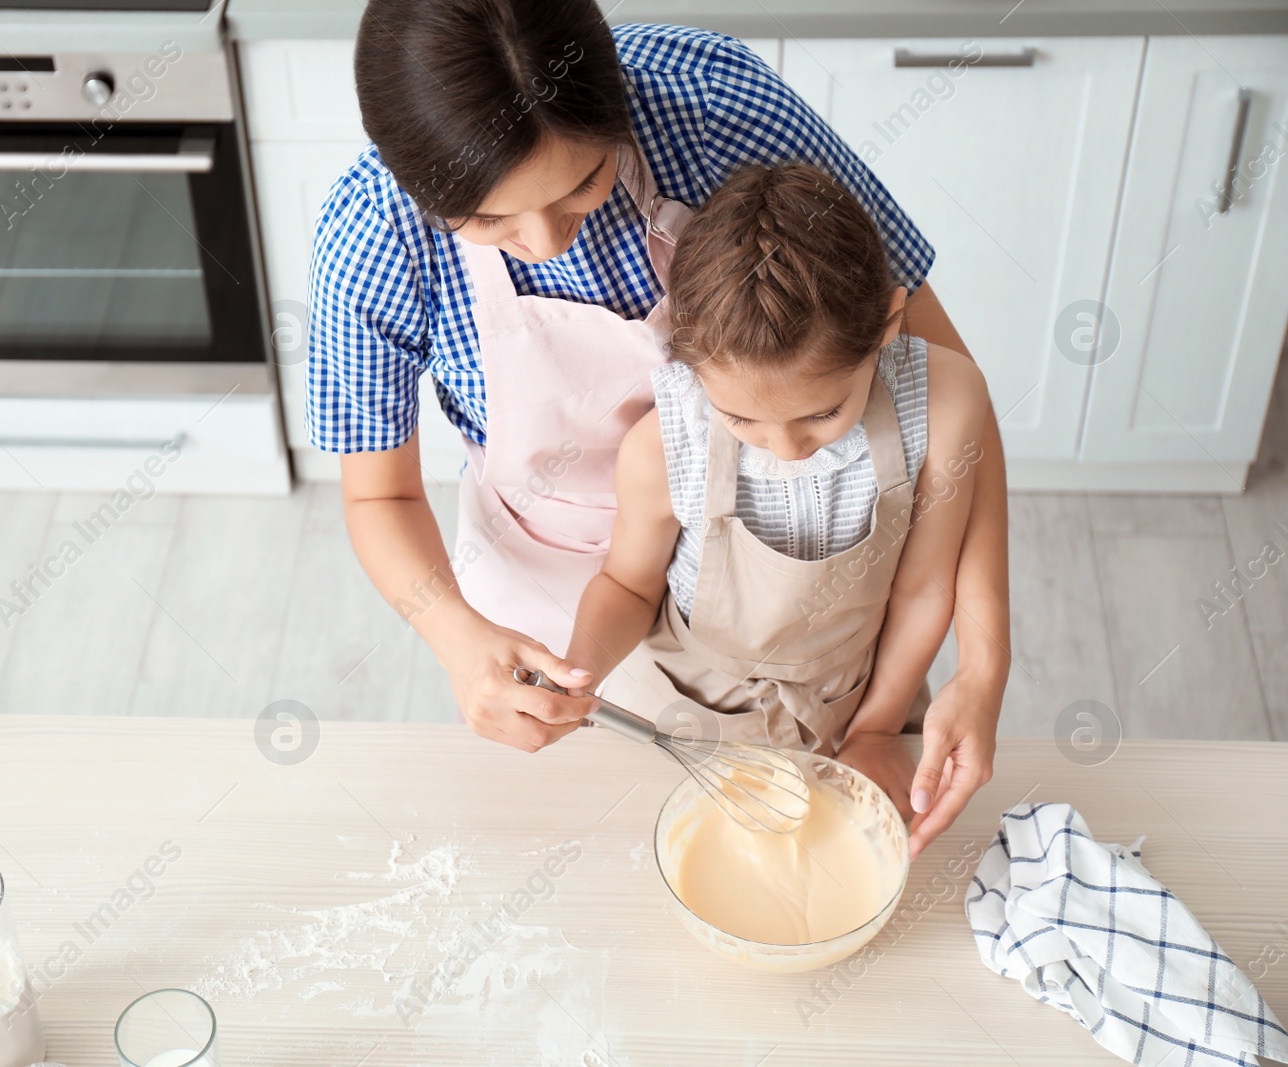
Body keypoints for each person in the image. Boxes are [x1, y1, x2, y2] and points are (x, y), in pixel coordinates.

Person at [308, 0, 1010, 856]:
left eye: (581, 186)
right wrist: (458, 638)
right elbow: (378, 493)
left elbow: (943, 388)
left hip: (804, 565)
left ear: (616, 110)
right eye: (488, 221)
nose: (544, 243)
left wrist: (980, 670)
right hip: (559, 596)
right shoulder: (369, 233)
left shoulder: (713, 103)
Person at [565, 161, 991, 833]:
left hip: (860, 704)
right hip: (680, 709)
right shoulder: (662, 447)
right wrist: (578, 670)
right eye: (741, 420)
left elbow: (924, 589)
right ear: (689, 359)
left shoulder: (941, 406)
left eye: (821, 414)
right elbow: (625, 585)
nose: (785, 448)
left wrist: (878, 729)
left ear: (887, 326)